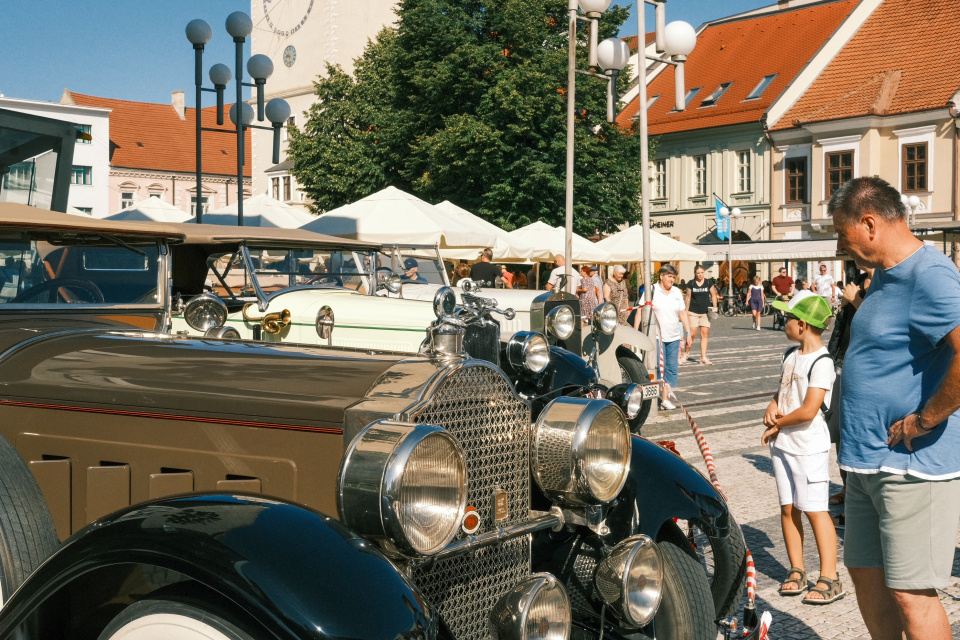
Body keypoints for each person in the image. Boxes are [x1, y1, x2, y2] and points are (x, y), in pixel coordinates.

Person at [832, 177, 960, 640]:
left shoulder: (932, 273)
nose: (841, 246)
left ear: (869, 224)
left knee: (912, 594)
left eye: (842, 235)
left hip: (913, 466)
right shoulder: (883, 274)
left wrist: (925, 419)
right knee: (868, 578)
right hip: (866, 462)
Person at [762, 290, 841, 604]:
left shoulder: (822, 363)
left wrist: (776, 425)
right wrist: (771, 407)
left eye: (788, 317)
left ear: (804, 324)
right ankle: (797, 569)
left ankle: (830, 577)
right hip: (784, 445)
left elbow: (809, 410)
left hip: (808, 447)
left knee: (815, 510)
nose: (784, 321)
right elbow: (782, 390)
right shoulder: (789, 355)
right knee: (788, 508)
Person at [824, 266, 874, 521]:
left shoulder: (887, 286)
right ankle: (847, 486)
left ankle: (860, 500)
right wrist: (829, 361)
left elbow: (879, 323)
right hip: (844, 364)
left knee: (861, 432)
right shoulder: (858, 283)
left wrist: (855, 300)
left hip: (870, 370)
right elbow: (840, 328)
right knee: (842, 432)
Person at [648, 264, 692, 411]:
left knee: (671, 368)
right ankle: (659, 398)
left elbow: (682, 313)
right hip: (657, 336)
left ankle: (665, 398)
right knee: (659, 368)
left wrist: (688, 332)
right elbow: (642, 311)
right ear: (661, 276)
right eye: (669, 276)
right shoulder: (652, 290)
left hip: (673, 336)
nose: (672, 280)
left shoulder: (676, 292)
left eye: (674, 277)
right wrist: (637, 333)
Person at [682, 265, 718, 365]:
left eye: (702, 272)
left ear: (704, 272)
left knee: (704, 334)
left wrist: (715, 306)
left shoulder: (708, 282)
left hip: (705, 312)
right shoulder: (691, 283)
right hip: (693, 312)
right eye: (698, 273)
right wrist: (686, 310)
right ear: (695, 273)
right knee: (692, 334)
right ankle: (686, 353)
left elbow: (713, 295)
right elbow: (688, 297)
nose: (700, 275)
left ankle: (703, 357)